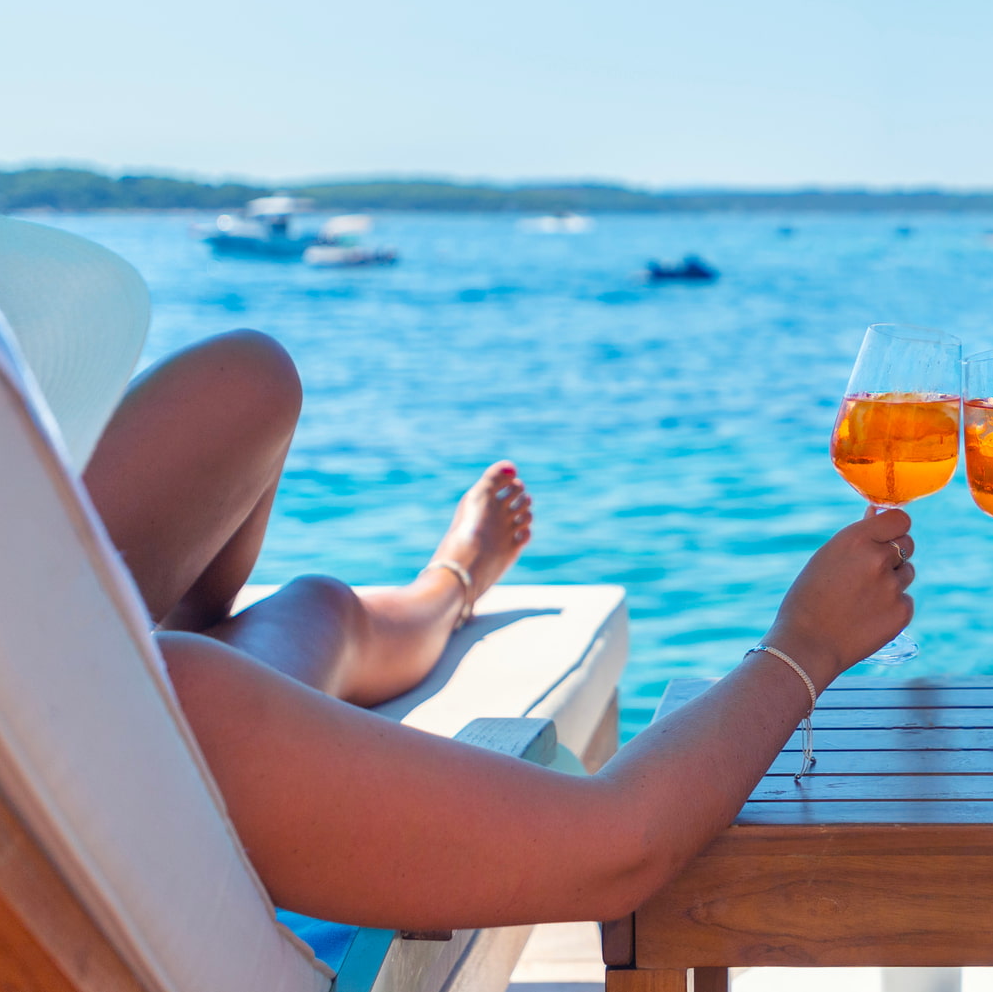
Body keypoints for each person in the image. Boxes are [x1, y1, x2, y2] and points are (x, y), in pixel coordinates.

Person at [91, 330, 915, 930]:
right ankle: (442, 585)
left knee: (252, 382)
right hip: (136, 724)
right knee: (256, 640)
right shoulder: (184, 714)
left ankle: (442, 587)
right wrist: (804, 646)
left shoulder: (133, 677)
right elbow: (614, 847)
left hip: (69, 640)